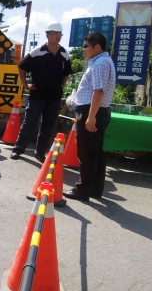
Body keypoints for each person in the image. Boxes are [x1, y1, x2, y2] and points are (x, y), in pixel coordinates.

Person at [63, 32, 116, 201]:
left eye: (86, 46)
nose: (83, 50)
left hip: (92, 111)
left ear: (97, 47)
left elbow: (98, 90)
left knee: (87, 153)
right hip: (96, 111)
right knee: (95, 153)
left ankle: (84, 189)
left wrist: (91, 116)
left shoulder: (100, 63)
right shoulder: (102, 61)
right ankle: (94, 189)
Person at [10, 22, 71, 162]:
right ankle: (18, 149)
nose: (58, 36)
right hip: (37, 95)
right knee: (29, 122)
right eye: (55, 33)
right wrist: (25, 84)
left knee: (48, 125)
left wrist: (62, 86)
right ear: (47, 34)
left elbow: (67, 72)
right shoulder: (37, 52)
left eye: (59, 34)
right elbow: (21, 67)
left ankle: (40, 152)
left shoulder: (64, 54)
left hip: (54, 97)